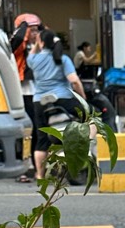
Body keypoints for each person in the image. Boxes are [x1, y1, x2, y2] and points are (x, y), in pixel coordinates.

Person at [23, 28, 84, 182]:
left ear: (41, 43)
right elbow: (74, 81)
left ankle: (40, 175)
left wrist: (37, 43)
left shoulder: (33, 60)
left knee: (42, 139)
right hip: (63, 99)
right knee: (90, 118)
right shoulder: (63, 59)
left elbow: (32, 53)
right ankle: (84, 147)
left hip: (40, 102)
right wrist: (83, 98)